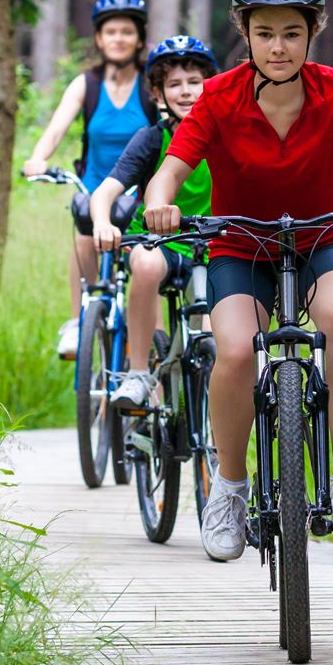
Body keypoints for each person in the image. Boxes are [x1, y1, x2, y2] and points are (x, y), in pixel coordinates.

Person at [141, 0, 333, 563]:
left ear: (312, 32)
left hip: (323, 237)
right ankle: (230, 487)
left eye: (291, 33)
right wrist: (160, 206)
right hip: (240, 244)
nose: (278, 46)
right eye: (265, 32)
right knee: (238, 350)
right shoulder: (217, 97)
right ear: (244, 33)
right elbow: (167, 174)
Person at [22, 0, 156, 359]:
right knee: (83, 229)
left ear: (140, 38)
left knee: (146, 270)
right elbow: (55, 129)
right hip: (94, 188)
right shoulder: (87, 85)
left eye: (127, 32)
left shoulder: (150, 86)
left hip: (138, 197)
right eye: (111, 32)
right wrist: (37, 158)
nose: (118, 39)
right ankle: (78, 320)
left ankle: (150, 352)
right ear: (98, 38)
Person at [89, 35, 218, 412]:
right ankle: (139, 373)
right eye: (174, 85)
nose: (186, 92)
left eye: (194, 82)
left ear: (210, 87)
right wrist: (102, 223)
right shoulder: (151, 139)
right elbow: (105, 192)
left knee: (219, 341)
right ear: (159, 96)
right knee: (143, 262)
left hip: (213, 247)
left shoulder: (227, 136)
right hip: (161, 246)